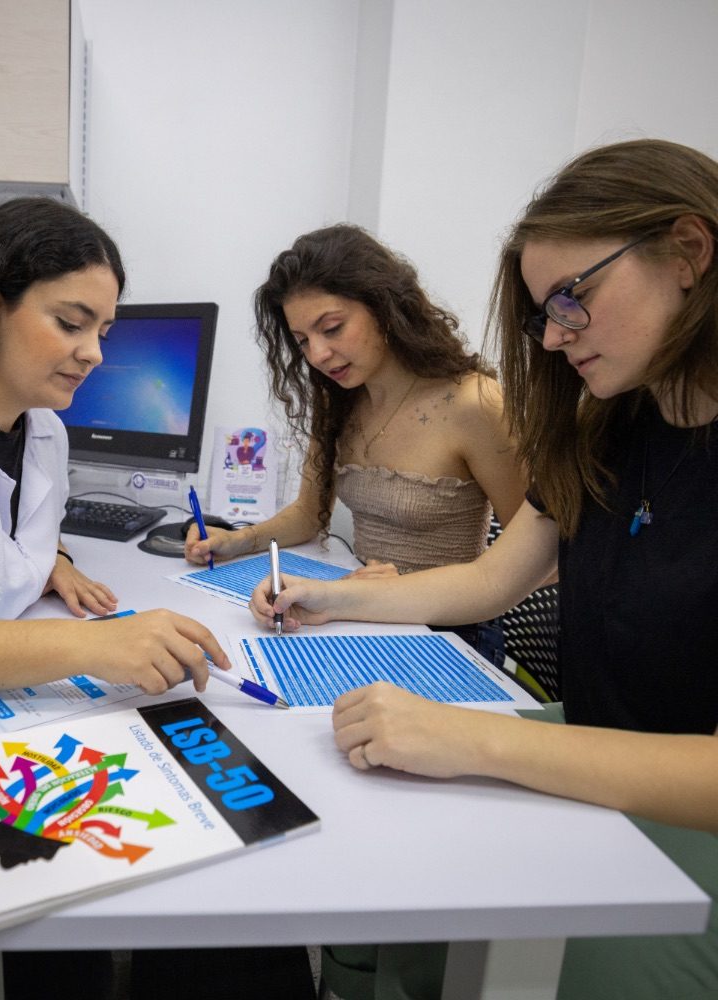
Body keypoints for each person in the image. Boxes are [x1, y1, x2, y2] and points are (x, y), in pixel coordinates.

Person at [249, 139, 718, 999]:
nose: (557, 333)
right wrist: (330, 593)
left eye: (576, 297)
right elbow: (494, 578)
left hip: (685, 801)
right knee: (375, 809)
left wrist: (476, 737)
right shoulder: (607, 424)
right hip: (594, 741)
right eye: (546, 312)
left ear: (690, 252)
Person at [0, 196, 231, 697]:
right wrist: (94, 646)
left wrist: (51, 561)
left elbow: (13, 530)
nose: (95, 354)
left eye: (103, 332)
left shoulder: (45, 430)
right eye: (71, 323)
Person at [187, 224, 530, 661]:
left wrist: (399, 590)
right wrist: (236, 541)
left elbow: (541, 560)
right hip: (366, 611)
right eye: (302, 341)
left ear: (384, 307)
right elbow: (309, 517)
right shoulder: (339, 402)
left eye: (331, 328)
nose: (317, 355)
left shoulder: (475, 404)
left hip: (448, 632)